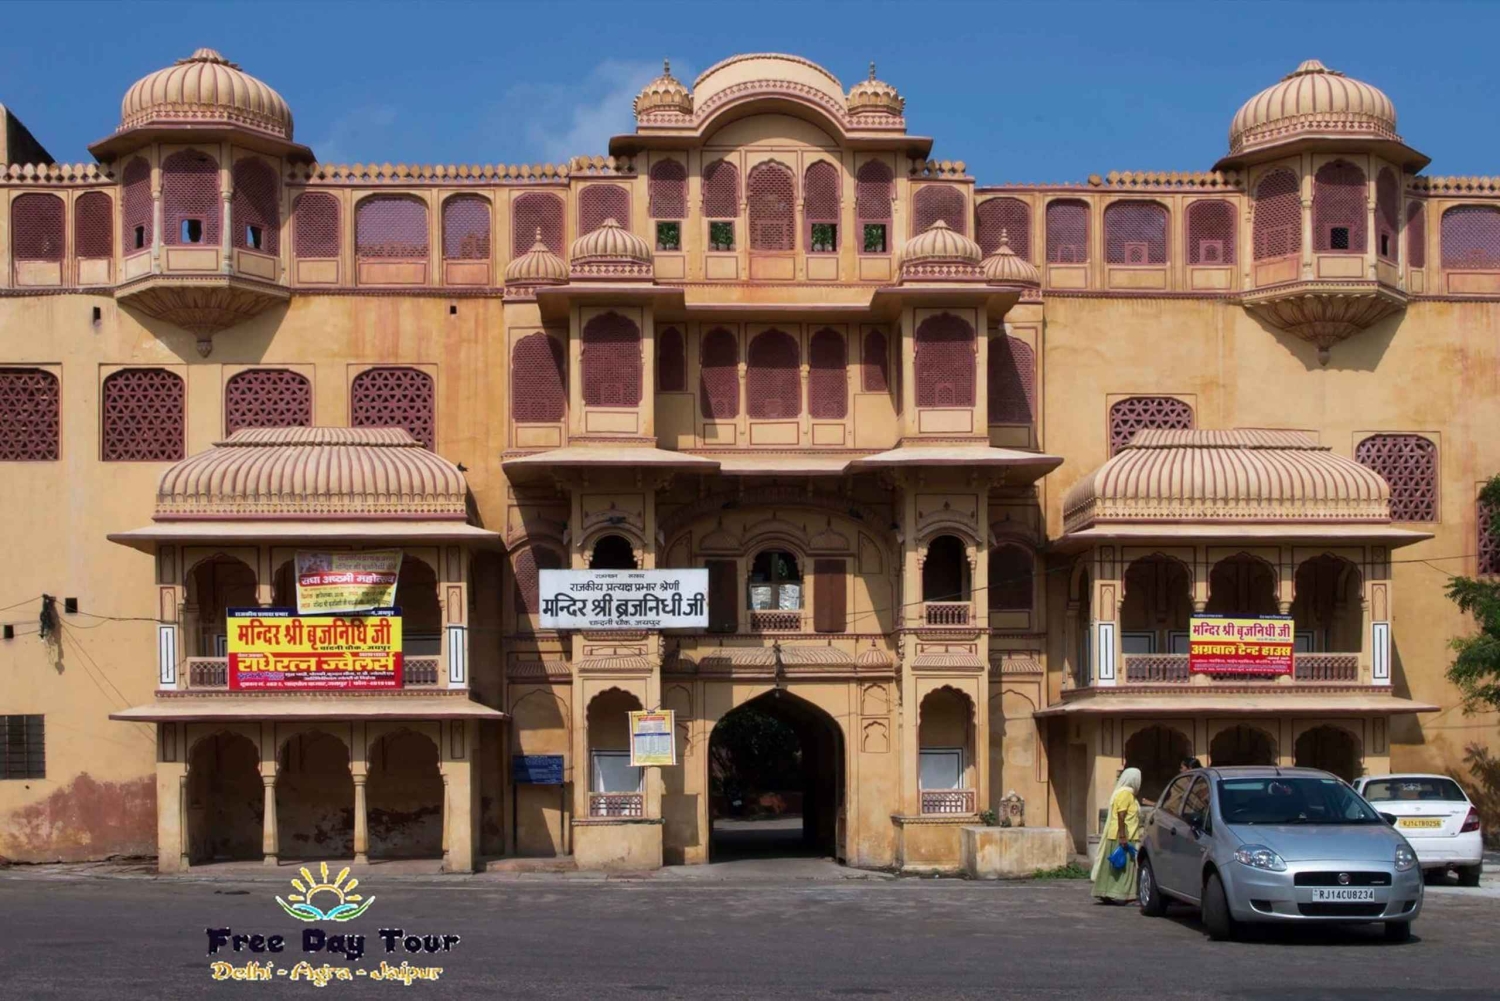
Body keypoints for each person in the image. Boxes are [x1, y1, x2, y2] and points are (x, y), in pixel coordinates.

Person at [1091, 767, 1142, 903]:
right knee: (1123, 867)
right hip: (1124, 835)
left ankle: (1107, 893)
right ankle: (1122, 894)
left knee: (1114, 868)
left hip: (1118, 835)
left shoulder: (1125, 794)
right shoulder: (1126, 794)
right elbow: (1121, 815)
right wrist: (1123, 836)